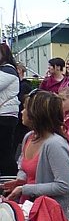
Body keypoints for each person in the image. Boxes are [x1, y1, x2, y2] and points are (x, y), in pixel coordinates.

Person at [3, 90, 69, 215]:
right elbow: (23, 168)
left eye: (26, 108)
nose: (22, 112)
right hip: (27, 208)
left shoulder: (55, 144)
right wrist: (20, 181)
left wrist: (24, 189)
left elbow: (63, 186)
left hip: (47, 215)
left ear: (36, 114)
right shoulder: (29, 137)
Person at [0, 44, 20, 175]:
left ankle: (10, 176)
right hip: (5, 113)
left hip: (5, 114)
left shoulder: (8, 70)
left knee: (5, 150)